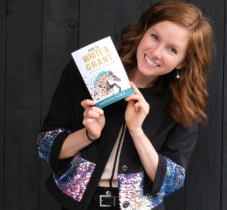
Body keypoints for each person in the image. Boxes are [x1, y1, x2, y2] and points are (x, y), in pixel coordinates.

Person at [37, 0, 214, 209]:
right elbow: (45, 146)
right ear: (144, 30)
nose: (156, 53)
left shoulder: (184, 103)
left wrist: (137, 131)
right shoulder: (88, 72)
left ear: (182, 62)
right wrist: (88, 135)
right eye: (155, 37)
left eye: (172, 50)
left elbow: (171, 181)